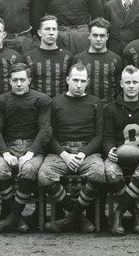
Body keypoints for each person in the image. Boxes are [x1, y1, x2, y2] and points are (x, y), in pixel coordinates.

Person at [38, 63, 105, 233]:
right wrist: (64, 154)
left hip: (87, 151)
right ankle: (79, 218)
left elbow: (99, 135)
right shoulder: (55, 102)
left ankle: (70, 219)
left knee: (98, 172)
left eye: (82, 81)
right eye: (75, 80)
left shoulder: (95, 102)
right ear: (68, 79)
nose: (78, 84)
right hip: (62, 151)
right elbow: (49, 134)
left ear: (87, 82)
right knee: (44, 174)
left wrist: (83, 154)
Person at [0, 64, 52, 233]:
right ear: (9, 81)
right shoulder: (0, 101)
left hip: (33, 148)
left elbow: (45, 130)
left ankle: (12, 217)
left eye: (22, 80)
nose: (18, 83)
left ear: (29, 80)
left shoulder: (41, 99)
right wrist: (5, 153)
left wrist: (30, 153)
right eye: (15, 80)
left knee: (29, 169)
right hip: (9, 146)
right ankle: (18, 218)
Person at [103, 66, 139, 235]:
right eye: (128, 82)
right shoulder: (111, 108)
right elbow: (107, 136)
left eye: (135, 82)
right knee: (110, 171)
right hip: (119, 155)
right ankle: (136, 212)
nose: (131, 86)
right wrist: (109, 150)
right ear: (121, 84)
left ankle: (118, 213)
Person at [73, 17, 122, 103]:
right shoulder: (78, 59)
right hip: (84, 105)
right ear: (89, 36)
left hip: (109, 106)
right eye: (95, 35)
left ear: (107, 36)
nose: (98, 39)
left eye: (102, 36)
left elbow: (119, 88)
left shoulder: (116, 59)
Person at [23, 15, 73, 98]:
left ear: (58, 32)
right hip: (36, 105)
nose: (51, 33)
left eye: (54, 29)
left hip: (61, 105)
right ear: (39, 32)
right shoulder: (29, 57)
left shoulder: (67, 57)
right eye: (47, 29)